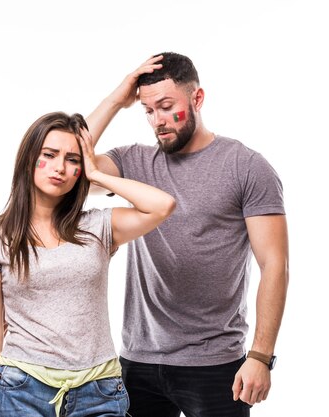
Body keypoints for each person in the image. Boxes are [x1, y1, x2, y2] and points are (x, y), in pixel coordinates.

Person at [85, 52, 289, 417]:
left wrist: (260, 356)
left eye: (165, 107)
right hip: (139, 360)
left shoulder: (246, 166)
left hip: (216, 364)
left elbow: (275, 264)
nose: (157, 121)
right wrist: (118, 98)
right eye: (148, 111)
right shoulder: (134, 162)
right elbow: (73, 166)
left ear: (197, 98)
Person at [0, 111, 175, 417]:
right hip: (21, 388)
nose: (60, 168)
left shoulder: (98, 226)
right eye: (50, 155)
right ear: (29, 158)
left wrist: (98, 174)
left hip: (99, 388)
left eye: (73, 160)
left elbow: (163, 206)